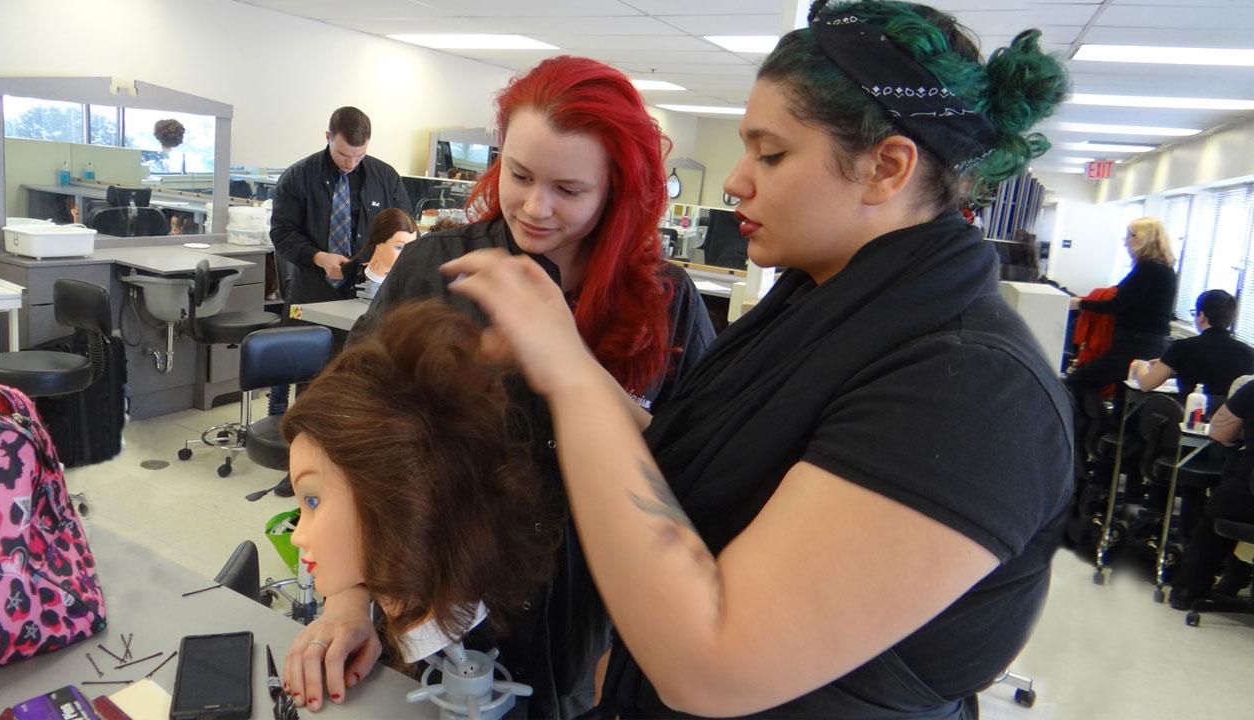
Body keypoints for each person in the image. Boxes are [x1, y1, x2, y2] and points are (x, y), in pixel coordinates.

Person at [439, 1, 1071, 717]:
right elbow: (693, 469)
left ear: (887, 168)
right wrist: (556, 362)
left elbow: (714, 665)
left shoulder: (973, 395)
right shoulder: (818, 310)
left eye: (770, 154)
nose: (737, 180)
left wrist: (574, 378)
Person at [284, 56, 717, 718]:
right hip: (440, 596)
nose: (535, 208)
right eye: (518, 176)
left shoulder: (667, 300)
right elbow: (350, 441)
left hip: (591, 609)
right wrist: (348, 595)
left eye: (569, 190)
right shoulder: (439, 266)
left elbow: (692, 466)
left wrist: (569, 363)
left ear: (618, 190)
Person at [281, 301, 556, 707]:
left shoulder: (470, 657)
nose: (297, 534)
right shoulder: (405, 609)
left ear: (398, 499)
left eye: (314, 501)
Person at [1066, 216, 1177, 480]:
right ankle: (1107, 455)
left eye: (1131, 236)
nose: (1126, 242)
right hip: (1145, 343)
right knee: (1124, 400)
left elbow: (1119, 304)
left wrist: (1081, 304)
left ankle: (1097, 434)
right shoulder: (1161, 270)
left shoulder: (1149, 269)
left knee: (1078, 380)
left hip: (1136, 344)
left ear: (1145, 240)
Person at [270, 106, 412, 308]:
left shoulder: (386, 178)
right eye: (344, 154)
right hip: (313, 289)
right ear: (329, 137)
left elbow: (405, 228)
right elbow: (282, 233)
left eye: (360, 155)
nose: (351, 163)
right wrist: (320, 258)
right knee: (308, 338)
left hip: (370, 289)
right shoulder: (298, 177)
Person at [1169, 379, 1254, 609]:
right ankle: (1236, 576)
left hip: (1246, 494)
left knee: (1216, 515)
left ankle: (1188, 589)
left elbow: (1218, 432)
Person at [1133, 289, 1254, 399]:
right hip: (1227, 421)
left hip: (1187, 416)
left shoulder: (1183, 347)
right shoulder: (1249, 353)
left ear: (1201, 316)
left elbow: (1146, 384)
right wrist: (1169, 364)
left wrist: (1141, 364)